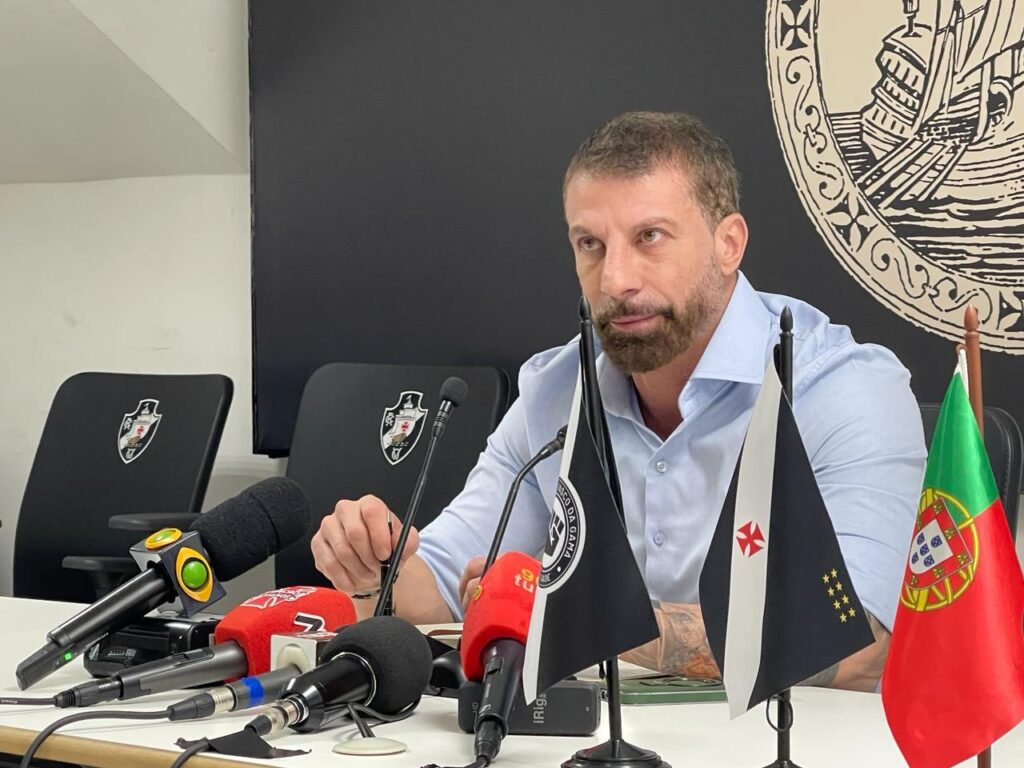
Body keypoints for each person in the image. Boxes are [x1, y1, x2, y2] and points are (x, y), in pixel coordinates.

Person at [310, 111, 926, 691]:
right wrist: (376, 569)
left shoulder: (839, 387)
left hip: (789, 741)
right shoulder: (555, 391)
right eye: (590, 244)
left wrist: (582, 619)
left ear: (728, 243)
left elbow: (859, 640)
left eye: (649, 237)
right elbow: (440, 592)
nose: (614, 280)